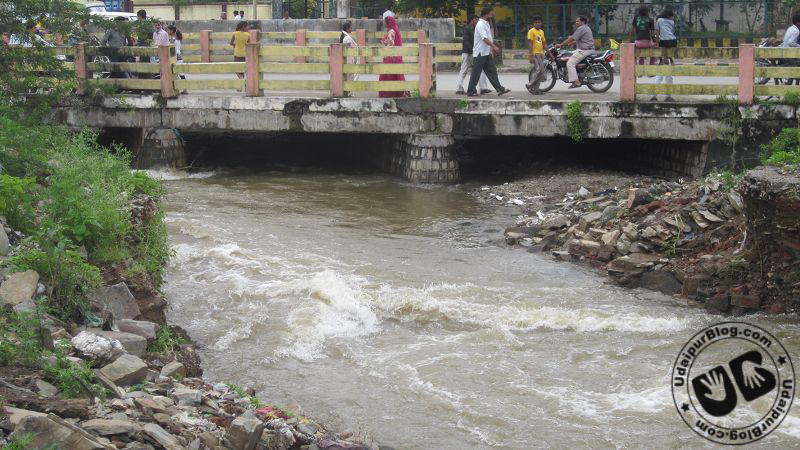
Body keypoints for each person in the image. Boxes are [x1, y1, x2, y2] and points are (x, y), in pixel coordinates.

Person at [466, 7, 510, 97]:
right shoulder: (480, 24)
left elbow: (489, 38)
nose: (492, 16)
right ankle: (471, 91)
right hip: (480, 52)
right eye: (491, 14)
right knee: (476, 72)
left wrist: (492, 49)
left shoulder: (486, 24)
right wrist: (494, 47)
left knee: (492, 71)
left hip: (486, 52)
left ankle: (499, 89)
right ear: (485, 14)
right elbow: (484, 38)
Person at [556, 16, 594, 89]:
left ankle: (577, 82)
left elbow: (572, 38)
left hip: (584, 50)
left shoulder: (581, 28)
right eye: (576, 21)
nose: (576, 23)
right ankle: (577, 72)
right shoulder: (586, 28)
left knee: (570, 63)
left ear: (583, 22)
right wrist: (570, 43)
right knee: (567, 54)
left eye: (578, 21)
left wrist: (561, 44)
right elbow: (580, 39)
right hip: (584, 49)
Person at [455, 15, 489, 95]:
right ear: (471, 20)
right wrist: (472, 51)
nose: (477, 21)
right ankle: (459, 88)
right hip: (467, 52)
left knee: (479, 69)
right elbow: (466, 41)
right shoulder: (467, 28)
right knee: (464, 70)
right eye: (476, 20)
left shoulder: (475, 29)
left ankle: (483, 88)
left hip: (474, 52)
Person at [379, 15, 408, 97]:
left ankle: (388, 94)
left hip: (391, 57)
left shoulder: (391, 31)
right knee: (396, 75)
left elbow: (391, 44)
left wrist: (384, 43)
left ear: (388, 23)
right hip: (395, 57)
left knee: (388, 75)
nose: (384, 23)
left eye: (385, 22)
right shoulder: (393, 30)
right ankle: (399, 93)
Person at [654, 10, 676, 101]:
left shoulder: (659, 21)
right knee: (668, 77)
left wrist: (657, 41)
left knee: (660, 76)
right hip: (672, 42)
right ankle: (668, 96)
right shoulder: (671, 22)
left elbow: (657, 34)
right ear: (668, 16)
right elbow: (673, 31)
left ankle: (654, 95)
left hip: (663, 49)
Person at [526, 15, 547, 95]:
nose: (538, 24)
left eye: (539, 22)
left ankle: (536, 90)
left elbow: (544, 43)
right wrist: (530, 55)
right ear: (533, 23)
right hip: (535, 53)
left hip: (541, 53)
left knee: (541, 72)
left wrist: (549, 52)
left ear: (541, 23)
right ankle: (530, 84)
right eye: (536, 22)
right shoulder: (531, 31)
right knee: (539, 70)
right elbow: (530, 43)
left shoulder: (541, 32)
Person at [340, 21, 359, 95]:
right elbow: (350, 49)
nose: (352, 29)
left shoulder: (343, 36)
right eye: (350, 28)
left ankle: (348, 92)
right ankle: (350, 92)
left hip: (347, 58)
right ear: (347, 28)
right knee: (350, 76)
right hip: (349, 58)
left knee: (348, 76)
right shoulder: (347, 37)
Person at [782, 14, 800, 85]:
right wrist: (799, 46)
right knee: (795, 68)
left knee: (795, 66)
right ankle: (790, 84)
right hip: (788, 53)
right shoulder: (796, 31)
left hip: (784, 51)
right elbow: (790, 42)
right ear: (798, 22)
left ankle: (793, 83)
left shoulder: (790, 28)